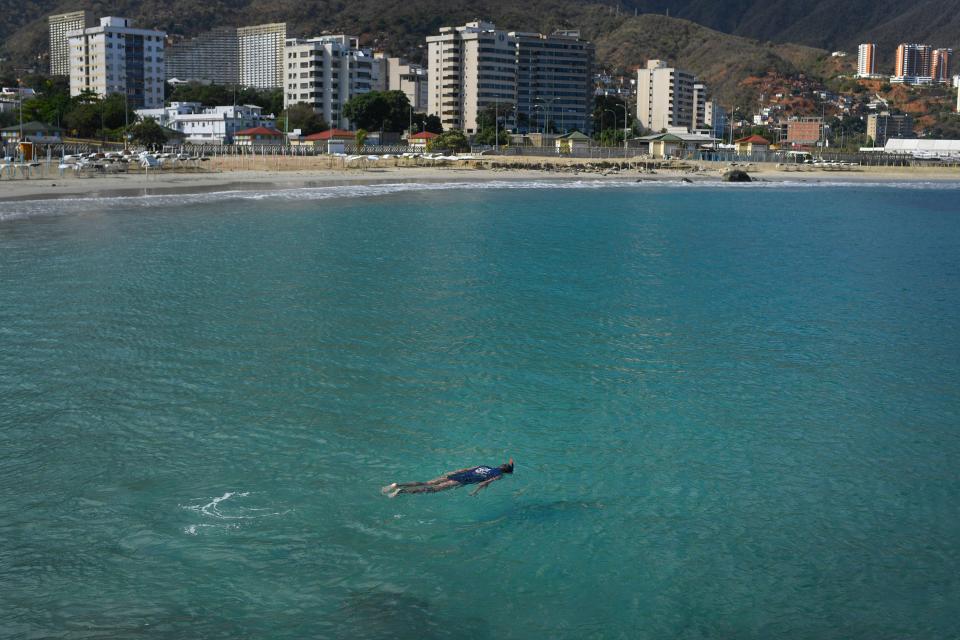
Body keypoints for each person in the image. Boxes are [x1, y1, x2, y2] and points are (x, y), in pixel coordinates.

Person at [381, 459, 514, 498]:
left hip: (455, 475)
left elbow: (465, 469)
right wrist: (474, 492)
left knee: (427, 482)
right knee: (432, 489)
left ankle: (397, 484)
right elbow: (484, 483)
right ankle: (401, 492)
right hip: (461, 480)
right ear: (505, 472)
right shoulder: (498, 475)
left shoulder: (484, 465)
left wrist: (451, 473)